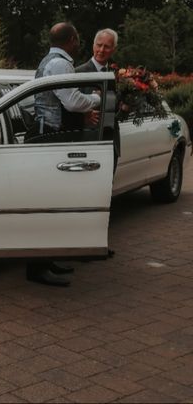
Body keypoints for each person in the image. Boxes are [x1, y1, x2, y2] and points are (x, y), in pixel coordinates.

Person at [26, 22, 101, 288]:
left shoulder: (55, 60)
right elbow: (71, 101)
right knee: (45, 203)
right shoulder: (59, 64)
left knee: (51, 202)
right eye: (78, 37)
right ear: (71, 39)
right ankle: (37, 267)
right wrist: (96, 99)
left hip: (49, 132)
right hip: (49, 134)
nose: (79, 41)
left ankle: (46, 260)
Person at [75, 28, 120, 259]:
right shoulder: (79, 72)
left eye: (107, 46)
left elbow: (117, 106)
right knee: (84, 197)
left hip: (110, 143)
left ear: (114, 49)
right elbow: (66, 108)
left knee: (104, 197)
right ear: (93, 45)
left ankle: (98, 243)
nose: (102, 50)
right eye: (99, 45)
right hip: (87, 145)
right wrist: (82, 116)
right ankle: (80, 246)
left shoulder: (117, 74)